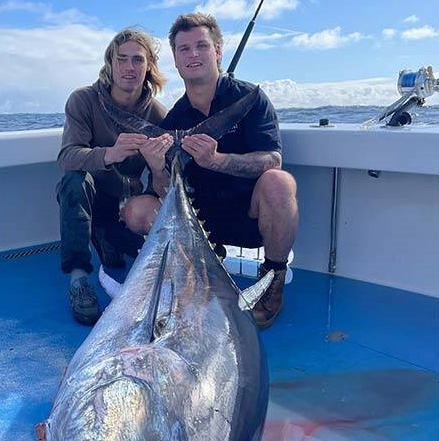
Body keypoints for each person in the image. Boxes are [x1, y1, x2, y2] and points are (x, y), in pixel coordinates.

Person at [122, 13, 299, 329]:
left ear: (218, 51)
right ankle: (195, 268)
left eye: (201, 46)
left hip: (249, 219)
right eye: (184, 49)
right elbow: (162, 193)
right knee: (136, 211)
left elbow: (273, 160)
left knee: (279, 183)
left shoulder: (250, 99)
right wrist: (156, 166)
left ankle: (272, 282)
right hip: (199, 229)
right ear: (175, 60)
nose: (192, 55)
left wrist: (218, 160)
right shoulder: (173, 120)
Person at [56, 28, 171, 325]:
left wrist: (158, 166)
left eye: (137, 60)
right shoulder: (83, 100)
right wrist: (110, 153)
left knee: (127, 255)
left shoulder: (158, 114)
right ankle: (79, 279)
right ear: (110, 63)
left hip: (128, 208)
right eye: (122, 59)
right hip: (91, 202)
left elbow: (166, 180)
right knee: (74, 181)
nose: (129, 68)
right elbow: (67, 157)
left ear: (149, 67)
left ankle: (108, 241)